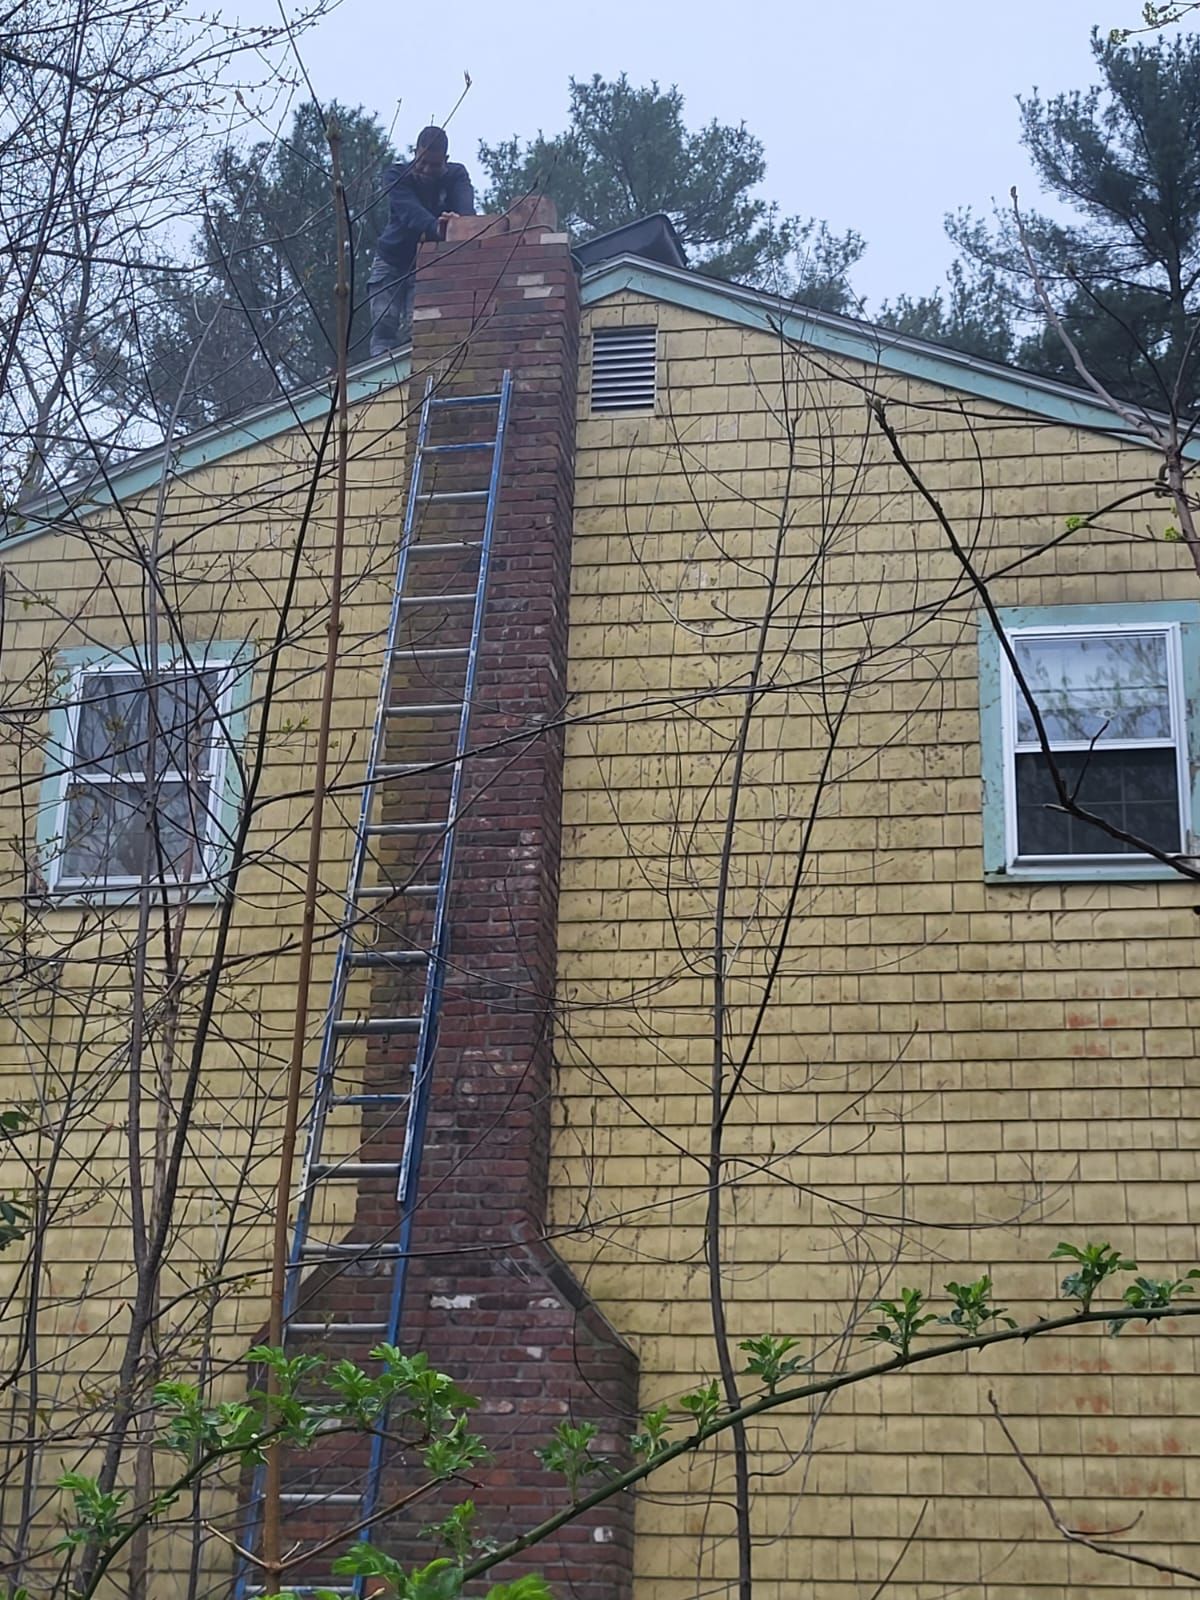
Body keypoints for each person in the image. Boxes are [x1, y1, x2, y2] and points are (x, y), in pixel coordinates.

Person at [366, 126, 475, 356]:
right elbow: (410, 212)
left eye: (434, 165)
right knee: (384, 326)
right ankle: (382, 372)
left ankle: (414, 374)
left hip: (427, 264)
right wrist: (439, 227)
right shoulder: (396, 175)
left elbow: (466, 212)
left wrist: (458, 222)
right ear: (415, 153)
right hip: (391, 259)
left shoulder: (456, 176)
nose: (426, 169)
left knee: (418, 327)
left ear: (445, 159)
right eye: (421, 162)